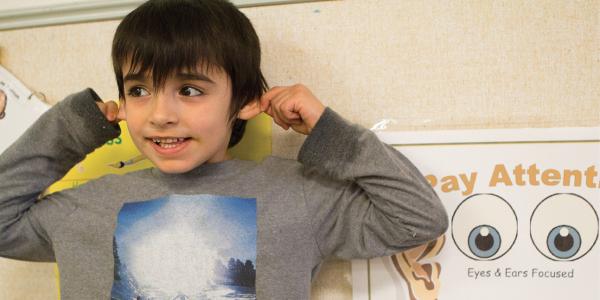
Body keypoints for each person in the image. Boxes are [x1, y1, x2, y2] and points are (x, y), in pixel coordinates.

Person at [0, 0, 448, 299]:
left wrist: (327, 129)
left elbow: (417, 217)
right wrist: (71, 128)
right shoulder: (87, 205)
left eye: (190, 90)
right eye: (138, 90)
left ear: (248, 100)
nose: (160, 114)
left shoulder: (297, 195)